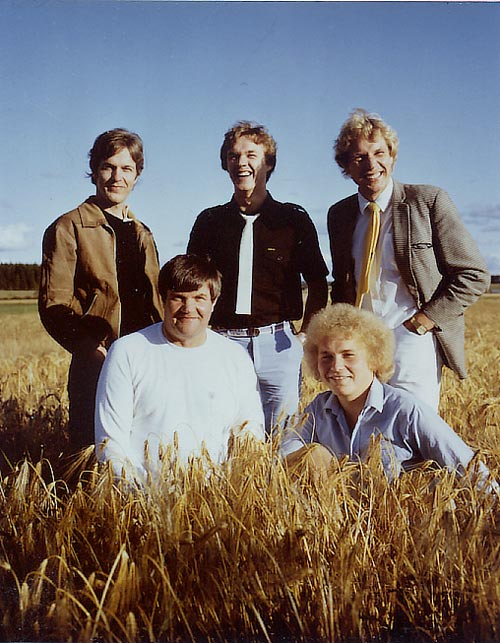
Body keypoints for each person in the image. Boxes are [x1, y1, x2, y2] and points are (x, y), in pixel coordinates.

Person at [327, 109, 490, 411]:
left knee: (414, 426)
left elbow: (474, 274)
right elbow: (341, 283)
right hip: (360, 344)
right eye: (359, 157)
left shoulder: (427, 201)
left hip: (411, 339)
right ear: (346, 165)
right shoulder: (339, 214)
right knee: (366, 430)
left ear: (392, 157)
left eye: (379, 153)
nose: (371, 164)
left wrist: (421, 322)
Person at [188, 121, 329, 435]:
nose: (241, 163)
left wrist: (304, 337)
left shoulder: (293, 220)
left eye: (251, 155)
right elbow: (192, 285)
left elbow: (318, 283)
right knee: (222, 431)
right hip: (223, 342)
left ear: (268, 164)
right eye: (233, 156)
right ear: (225, 164)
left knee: (284, 436)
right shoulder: (209, 222)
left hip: (278, 344)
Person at [39, 128, 163, 452]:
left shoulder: (143, 233)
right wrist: (90, 348)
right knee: (91, 453)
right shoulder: (68, 227)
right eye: (108, 167)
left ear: (137, 175)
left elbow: (156, 302)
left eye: (126, 169)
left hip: (144, 360)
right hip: (97, 362)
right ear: (94, 170)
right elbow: (54, 304)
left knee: (145, 451)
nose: (117, 177)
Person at [281, 304, 496, 489]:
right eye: (326, 357)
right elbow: (285, 455)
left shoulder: (405, 410)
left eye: (348, 355)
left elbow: (467, 466)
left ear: (373, 358)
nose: (336, 366)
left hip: (404, 520)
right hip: (342, 521)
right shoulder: (317, 409)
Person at [95, 254, 264, 482]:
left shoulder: (235, 357)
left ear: (214, 302)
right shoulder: (127, 351)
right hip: (143, 495)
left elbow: (250, 435)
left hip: (217, 495)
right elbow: (110, 444)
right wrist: (138, 495)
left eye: (199, 298)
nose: (188, 308)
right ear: (162, 300)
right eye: (178, 298)